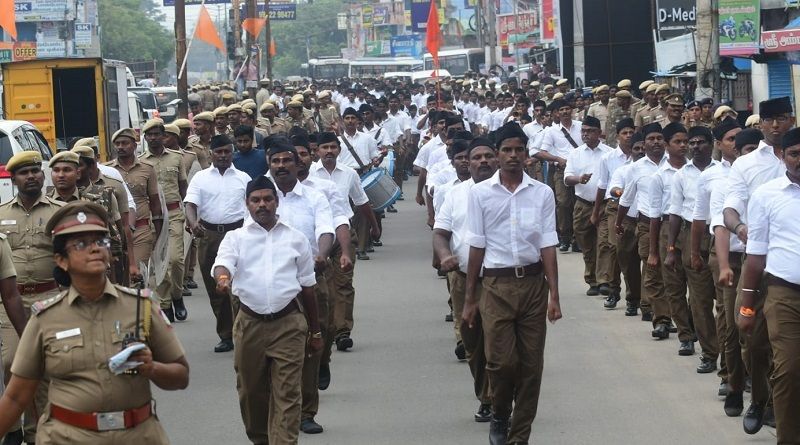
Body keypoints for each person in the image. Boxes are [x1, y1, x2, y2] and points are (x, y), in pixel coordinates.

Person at [0, 202, 189, 444]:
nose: (95, 249)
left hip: (136, 436)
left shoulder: (141, 307)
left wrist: (153, 368)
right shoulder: (45, 319)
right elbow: (16, 398)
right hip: (68, 437)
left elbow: (181, 375)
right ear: (61, 260)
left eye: (101, 242)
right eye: (81, 244)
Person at [463, 122, 562, 445]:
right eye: (506, 150)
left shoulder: (542, 193)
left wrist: (554, 296)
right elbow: (476, 245)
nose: (513, 155)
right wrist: (469, 300)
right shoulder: (480, 194)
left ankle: (519, 436)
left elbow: (548, 243)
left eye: (519, 149)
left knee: (532, 368)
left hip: (534, 286)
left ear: (527, 154)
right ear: (497, 155)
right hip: (495, 286)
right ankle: (500, 413)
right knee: (502, 363)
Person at [213, 176, 322, 445]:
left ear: (276, 202)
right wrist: (223, 278)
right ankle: (261, 439)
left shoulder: (296, 239)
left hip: (289, 324)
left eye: (267, 199)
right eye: (256, 200)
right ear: (247, 204)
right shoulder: (235, 238)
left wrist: (316, 331)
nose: (262, 205)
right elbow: (223, 263)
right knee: (251, 393)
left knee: (288, 393)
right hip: (249, 324)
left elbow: (308, 287)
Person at [722, 97, 792, 434]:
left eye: (781, 119)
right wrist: (740, 228)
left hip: (789, 268)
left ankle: (782, 409)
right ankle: (758, 398)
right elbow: (730, 209)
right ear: (759, 124)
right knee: (753, 340)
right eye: (769, 120)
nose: (775, 126)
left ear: (791, 119)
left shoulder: (796, 154)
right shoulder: (746, 165)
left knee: (787, 351)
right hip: (756, 266)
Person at [738, 127, 800, 444]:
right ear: (783, 157)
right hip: (784, 295)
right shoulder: (767, 195)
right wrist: (747, 307)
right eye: (795, 154)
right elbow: (755, 257)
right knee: (789, 370)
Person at [0, 151, 66, 443]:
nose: (31, 177)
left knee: (44, 366)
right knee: (12, 361)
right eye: (24, 173)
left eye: (35, 171)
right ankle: (13, 428)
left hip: (50, 297)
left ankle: (34, 431)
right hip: (9, 300)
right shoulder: (1, 213)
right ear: (13, 179)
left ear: (43, 175)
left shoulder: (60, 211)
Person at [433, 137, 498, 423]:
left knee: (499, 343)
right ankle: (485, 395)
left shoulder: (509, 191)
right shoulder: (455, 195)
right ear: (466, 164)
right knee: (473, 342)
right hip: (463, 279)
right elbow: (440, 233)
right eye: (476, 158)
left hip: (502, 281)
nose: (482, 161)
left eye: (488, 156)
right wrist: (444, 254)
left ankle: (499, 400)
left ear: (495, 160)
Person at [311, 132, 380, 353]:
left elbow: (361, 201)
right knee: (321, 286)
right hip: (317, 237)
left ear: (339, 150)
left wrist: (374, 226)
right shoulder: (308, 175)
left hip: (343, 234)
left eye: (333, 147)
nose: (329, 151)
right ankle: (324, 328)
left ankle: (342, 332)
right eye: (325, 148)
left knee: (343, 283)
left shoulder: (349, 174)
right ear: (317, 151)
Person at [184, 135, 251, 353]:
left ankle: (244, 332)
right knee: (217, 288)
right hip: (209, 236)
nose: (223, 156)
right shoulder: (201, 178)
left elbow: (252, 207)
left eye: (226, 152)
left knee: (240, 286)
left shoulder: (244, 178)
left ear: (232, 153)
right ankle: (225, 335)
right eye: (218, 152)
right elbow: (190, 204)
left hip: (238, 234)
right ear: (211, 154)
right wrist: (193, 224)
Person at [666, 126, 720, 369]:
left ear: (712, 145)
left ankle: (733, 362)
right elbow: (675, 214)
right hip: (691, 238)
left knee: (726, 301)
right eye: (692, 142)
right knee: (700, 300)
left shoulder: (723, 172)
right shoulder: (680, 175)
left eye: (701, 142)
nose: (696, 146)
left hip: (720, 235)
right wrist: (671, 249)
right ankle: (710, 354)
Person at [616, 123, 666, 322]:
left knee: (669, 273)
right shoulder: (635, 169)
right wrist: (618, 222)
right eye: (651, 139)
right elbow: (626, 199)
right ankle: (656, 312)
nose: (655, 142)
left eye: (659, 138)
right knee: (651, 267)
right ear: (644, 144)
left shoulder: (676, 164)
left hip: (671, 225)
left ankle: (661, 309)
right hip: (645, 225)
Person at [646, 123, 691, 343]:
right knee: (674, 287)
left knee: (697, 286)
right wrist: (654, 252)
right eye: (677, 142)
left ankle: (694, 325)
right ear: (666, 145)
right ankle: (685, 336)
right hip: (666, 229)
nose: (683, 146)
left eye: (685, 142)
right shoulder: (659, 176)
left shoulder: (696, 170)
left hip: (692, 228)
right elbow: (654, 216)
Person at [140, 119, 189, 322]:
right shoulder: (142, 162)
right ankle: (167, 303)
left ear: (163, 135)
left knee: (176, 260)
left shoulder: (177, 158)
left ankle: (177, 296)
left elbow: (183, 187)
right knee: (160, 261)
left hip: (175, 213)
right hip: (153, 217)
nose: (153, 138)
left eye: (157, 134)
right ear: (145, 138)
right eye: (149, 135)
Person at [564, 115, 612, 296]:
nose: (586, 134)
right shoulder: (575, 154)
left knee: (604, 242)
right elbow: (567, 179)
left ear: (599, 133)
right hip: (582, 205)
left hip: (605, 206)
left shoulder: (609, 153)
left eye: (590, 131)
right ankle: (591, 279)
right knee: (587, 245)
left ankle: (604, 280)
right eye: (583, 131)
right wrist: (579, 178)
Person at [107, 128, 164, 276]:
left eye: (125, 143)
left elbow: (155, 202)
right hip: (115, 232)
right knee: (118, 274)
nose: (120, 147)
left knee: (137, 274)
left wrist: (159, 234)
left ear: (134, 145)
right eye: (117, 144)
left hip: (141, 230)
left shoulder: (147, 168)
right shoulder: (107, 170)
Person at [606, 132, 646, 314]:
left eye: (643, 148)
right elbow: (613, 189)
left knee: (651, 266)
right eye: (636, 148)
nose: (640, 151)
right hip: (629, 220)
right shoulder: (624, 170)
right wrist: (620, 192)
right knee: (628, 265)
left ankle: (649, 305)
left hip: (649, 222)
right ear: (631, 151)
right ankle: (632, 300)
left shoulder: (658, 170)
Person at [536, 99, 582, 252]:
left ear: (571, 110)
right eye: (561, 110)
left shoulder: (581, 127)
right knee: (563, 204)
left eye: (567, 108)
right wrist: (557, 159)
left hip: (579, 170)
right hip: (561, 170)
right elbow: (543, 152)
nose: (564, 112)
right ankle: (565, 238)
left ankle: (578, 239)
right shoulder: (551, 131)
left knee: (579, 203)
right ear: (557, 113)